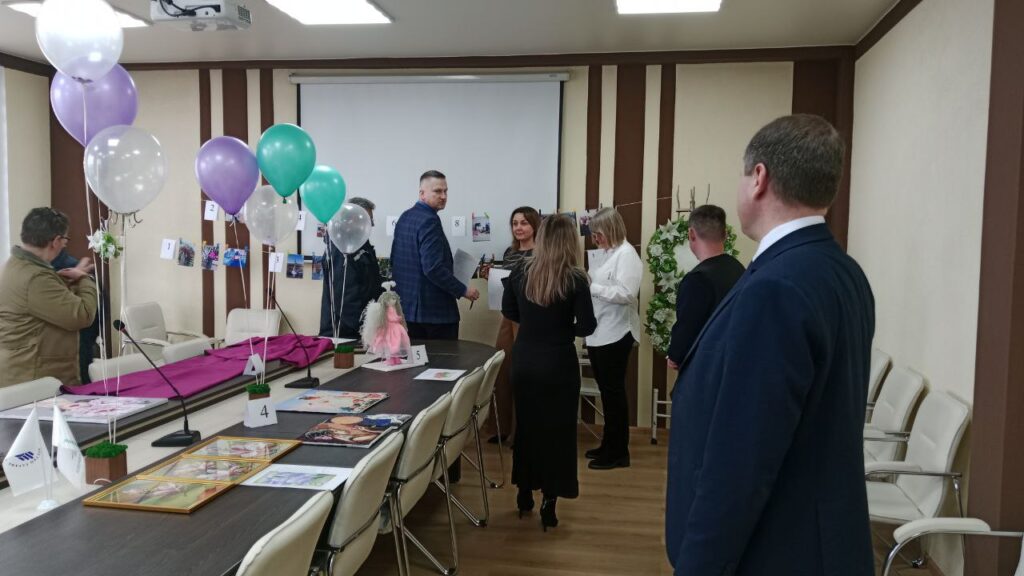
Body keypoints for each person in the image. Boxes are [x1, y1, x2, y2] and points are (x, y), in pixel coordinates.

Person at [665, 114, 875, 575]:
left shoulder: (776, 286)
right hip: (823, 536)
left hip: (777, 546)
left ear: (758, 177)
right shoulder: (842, 271)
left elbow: (741, 462)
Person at [502, 214, 596, 531]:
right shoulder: (575, 278)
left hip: (525, 359)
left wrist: (534, 324)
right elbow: (587, 326)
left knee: (528, 428)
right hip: (558, 362)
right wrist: (562, 327)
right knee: (557, 432)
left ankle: (524, 492)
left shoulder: (520, 271)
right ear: (570, 241)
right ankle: (549, 502)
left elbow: (509, 311)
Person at [0, 207, 98, 387]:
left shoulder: (15, 265)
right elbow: (82, 315)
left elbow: (39, 302)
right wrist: (85, 279)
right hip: (34, 379)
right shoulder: (35, 277)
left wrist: (65, 281)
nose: (64, 245)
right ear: (56, 241)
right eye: (65, 240)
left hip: (21, 372)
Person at [584, 207, 642, 470]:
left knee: (613, 393)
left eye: (598, 234)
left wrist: (592, 287)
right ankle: (608, 444)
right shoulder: (607, 253)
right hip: (600, 331)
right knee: (607, 394)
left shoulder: (627, 254)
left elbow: (627, 293)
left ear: (611, 229)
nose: (595, 239)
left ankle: (619, 452)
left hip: (617, 333)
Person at [391, 170, 480, 340]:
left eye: (446, 191)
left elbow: (394, 260)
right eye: (438, 191)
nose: (444, 196)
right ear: (422, 194)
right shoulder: (429, 220)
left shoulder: (405, 217)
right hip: (434, 314)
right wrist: (463, 290)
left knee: (414, 357)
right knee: (444, 358)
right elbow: (433, 268)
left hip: (407, 311)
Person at [485, 206, 541, 444]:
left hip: (530, 320)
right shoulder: (510, 253)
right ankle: (503, 428)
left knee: (524, 374)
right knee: (503, 370)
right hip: (508, 318)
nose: (519, 228)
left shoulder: (541, 253)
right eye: (515, 223)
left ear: (535, 226)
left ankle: (522, 431)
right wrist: (492, 277)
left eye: (524, 223)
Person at [665, 205, 745, 369]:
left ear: (691, 234)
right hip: (735, 359)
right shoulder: (737, 267)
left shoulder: (697, 280)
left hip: (706, 366)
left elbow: (687, 328)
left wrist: (675, 355)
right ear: (725, 234)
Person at [319, 197, 384, 339]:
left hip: (364, 327)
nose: (372, 225)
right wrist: (364, 328)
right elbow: (344, 299)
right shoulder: (340, 247)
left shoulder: (361, 242)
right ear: (351, 219)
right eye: (368, 220)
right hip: (344, 333)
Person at [51, 249, 103, 384]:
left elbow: (91, 311)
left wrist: (82, 277)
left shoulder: (68, 267)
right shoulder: (60, 267)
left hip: (78, 340)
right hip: (77, 341)